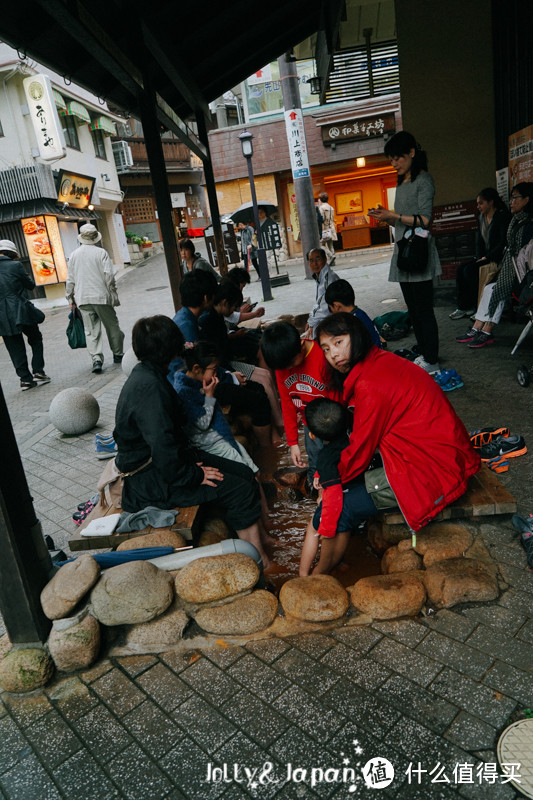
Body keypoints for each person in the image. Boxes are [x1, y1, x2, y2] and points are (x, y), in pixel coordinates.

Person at [308, 312, 480, 573]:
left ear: (356, 336)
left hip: (429, 469)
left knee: (341, 508)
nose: (333, 354)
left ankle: (319, 576)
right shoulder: (375, 362)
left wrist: (329, 478)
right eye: (326, 348)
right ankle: (338, 560)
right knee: (341, 492)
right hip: (437, 454)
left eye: (339, 342)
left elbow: (360, 453)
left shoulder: (370, 384)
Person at [113, 315, 272, 567]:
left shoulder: (148, 375)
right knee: (238, 489)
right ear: (171, 348)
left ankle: (263, 542)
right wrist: (193, 475)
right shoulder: (151, 389)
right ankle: (259, 562)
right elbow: (163, 450)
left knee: (243, 472)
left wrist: (191, 465)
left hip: (169, 465)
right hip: (151, 481)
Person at [368, 131, 441, 374]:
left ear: (411, 153)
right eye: (391, 159)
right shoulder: (402, 184)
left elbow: (425, 220)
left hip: (418, 254)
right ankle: (423, 349)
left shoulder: (424, 180)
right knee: (413, 309)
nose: (394, 163)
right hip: (404, 254)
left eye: (397, 157)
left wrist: (394, 216)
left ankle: (431, 359)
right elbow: (403, 223)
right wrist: (386, 218)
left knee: (424, 310)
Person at [261, 320, 341, 486]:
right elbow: (287, 403)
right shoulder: (282, 365)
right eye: (283, 367)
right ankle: (313, 486)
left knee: (334, 463)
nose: (287, 369)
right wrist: (292, 443)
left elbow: (336, 402)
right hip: (308, 424)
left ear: (300, 345)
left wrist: (324, 467)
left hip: (332, 423)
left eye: (290, 364)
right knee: (314, 464)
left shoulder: (322, 357)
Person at [456, 182, 533, 348]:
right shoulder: (517, 221)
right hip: (516, 272)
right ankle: (478, 327)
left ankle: (487, 331)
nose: (511, 201)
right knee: (490, 287)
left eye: (515, 197)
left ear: (526, 200)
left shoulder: (527, 225)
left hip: (526, 279)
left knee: (496, 289)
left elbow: (522, 256)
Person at [298, 398, 350, 576]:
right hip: (350, 485)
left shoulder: (326, 459)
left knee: (312, 528)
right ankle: (337, 562)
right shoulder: (347, 434)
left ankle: (303, 574)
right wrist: (319, 476)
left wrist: (326, 529)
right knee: (345, 529)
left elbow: (333, 499)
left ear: (312, 435)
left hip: (338, 494)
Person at [65, 223, 124, 374]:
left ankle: (96, 359)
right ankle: (117, 354)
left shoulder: (74, 255)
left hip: (83, 298)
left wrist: (70, 298)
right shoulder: (101, 253)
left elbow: (70, 280)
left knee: (90, 331)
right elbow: (109, 276)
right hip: (101, 296)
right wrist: (112, 292)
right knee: (112, 326)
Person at [450, 188, 511, 319]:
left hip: (497, 257)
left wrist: (487, 257)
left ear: (491, 202)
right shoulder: (481, 218)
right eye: (477, 203)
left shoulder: (502, 216)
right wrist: (479, 256)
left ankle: (477, 306)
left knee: (470, 271)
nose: (478, 206)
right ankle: (463, 307)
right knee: (461, 269)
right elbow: (480, 241)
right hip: (485, 256)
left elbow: (503, 242)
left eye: (481, 203)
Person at [0, 239, 50, 390]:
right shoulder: (15, 265)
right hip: (22, 310)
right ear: (12, 252)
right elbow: (30, 285)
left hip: (2, 315)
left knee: (14, 347)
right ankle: (38, 370)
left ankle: (25, 379)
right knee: (35, 338)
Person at [324, 278, 382, 347]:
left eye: (330, 307)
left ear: (337, 306)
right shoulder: (360, 314)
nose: (331, 312)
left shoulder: (352, 324)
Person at [305, 248, 340, 337]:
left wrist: (311, 322)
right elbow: (318, 303)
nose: (315, 264)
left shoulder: (329, 278)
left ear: (325, 259)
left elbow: (324, 306)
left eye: (318, 259)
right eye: (311, 261)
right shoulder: (320, 277)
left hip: (335, 321)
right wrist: (311, 318)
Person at [317, 192, 337, 265]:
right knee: (330, 245)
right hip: (331, 227)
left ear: (321, 199)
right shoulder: (331, 207)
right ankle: (333, 262)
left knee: (321, 245)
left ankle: (331, 256)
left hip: (325, 229)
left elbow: (321, 219)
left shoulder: (321, 208)